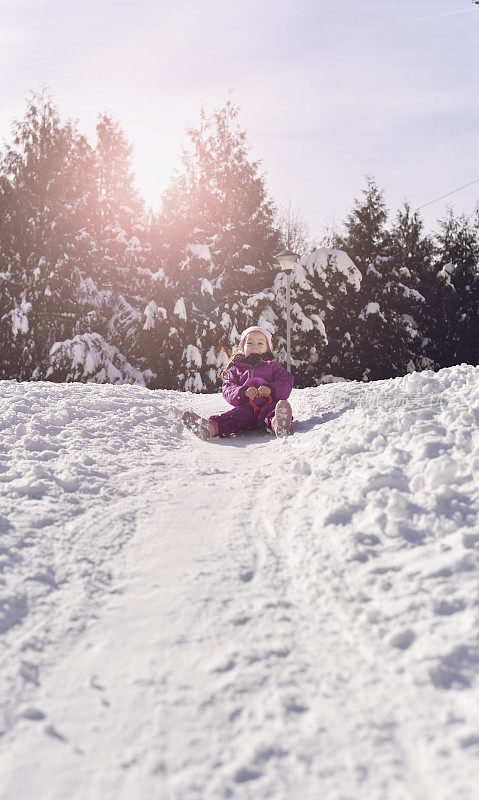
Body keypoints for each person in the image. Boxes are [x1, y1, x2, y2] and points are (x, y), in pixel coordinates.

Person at [181, 326, 294, 440]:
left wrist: (271, 389)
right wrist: (243, 392)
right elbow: (228, 388)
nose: (254, 346)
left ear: (267, 349)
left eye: (260, 343)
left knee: (273, 412)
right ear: (243, 347)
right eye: (250, 343)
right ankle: (211, 428)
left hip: (268, 404)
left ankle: (278, 424)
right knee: (233, 418)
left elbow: (286, 380)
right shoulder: (236, 370)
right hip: (246, 408)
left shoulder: (273, 367)